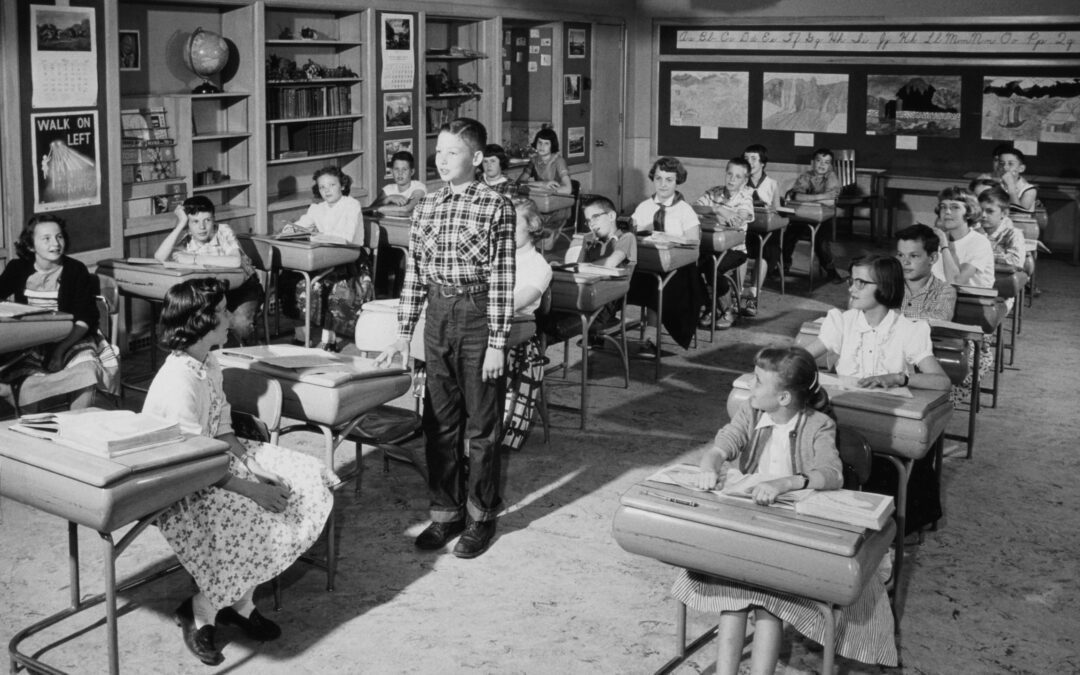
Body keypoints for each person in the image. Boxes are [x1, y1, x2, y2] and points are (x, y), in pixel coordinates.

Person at [143, 278, 335, 666]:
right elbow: (191, 462)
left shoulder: (207, 360)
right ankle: (201, 611)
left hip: (214, 460)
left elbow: (223, 428)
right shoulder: (178, 380)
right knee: (255, 513)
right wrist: (252, 490)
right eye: (224, 312)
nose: (231, 318)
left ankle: (239, 601)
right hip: (178, 482)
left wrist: (254, 465)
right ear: (202, 321)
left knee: (305, 475)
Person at [671, 346, 897, 674]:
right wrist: (710, 464)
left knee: (768, 605)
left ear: (784, 399)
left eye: (759, 381)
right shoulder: (750, 412)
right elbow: (723, 444)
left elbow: (831, 473)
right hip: (754, 527)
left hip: (793, 536)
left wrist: (783, 484)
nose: (750, 385)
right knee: (734, 600)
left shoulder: (818, 424)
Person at [375, 117, 516, 559]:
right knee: (438, 422)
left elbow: (502, 277)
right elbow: (414, 274)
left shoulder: (497, 206)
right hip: (436, 314)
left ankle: (480, 516)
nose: (441, 159)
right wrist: (403, 333)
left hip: (476, 315)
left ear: (475, 158)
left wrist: (497, 341)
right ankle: (445, 513)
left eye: (451, 152)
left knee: (482, 426)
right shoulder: (427, 207)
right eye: (437, 152)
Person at [805, 255, 950, 535]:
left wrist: (899, 377)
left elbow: (941, 383)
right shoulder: (842, 322)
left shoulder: (909, 330)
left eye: (862, 283)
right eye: (851, 281)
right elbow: (802, 358)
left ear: (884, 286)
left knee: (890, 457)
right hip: (846, 415)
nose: (851, 289)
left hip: (886, 422)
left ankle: (886, 527)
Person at [0, 215, 118, 410]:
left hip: (73, 337)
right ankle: (32, 428)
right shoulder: (17, 268)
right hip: (32, 341)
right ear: (30, 245)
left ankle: (77, 425)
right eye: (46, 238)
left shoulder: (75, 270)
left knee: (87, 370)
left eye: (59, 237)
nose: (55, 243)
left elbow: (86, 317)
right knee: (25, 378)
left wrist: (60, 350)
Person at [281, 166, 371, 351]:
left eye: (332, 185)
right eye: (322, 187)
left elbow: (346, 235)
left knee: (329, 285)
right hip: (322, 257)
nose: (327, 190)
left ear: (342, 186)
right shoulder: (316, 208)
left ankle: (329, 339)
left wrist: (320, 235)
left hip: (350, 259)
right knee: (291, 279)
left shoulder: (351, 205)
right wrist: (291, 229)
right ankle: (302, 336)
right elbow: (302, 224)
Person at [154, 196, 263, 344]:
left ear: (214, 219)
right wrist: (180, 224)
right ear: (188, 225)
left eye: (207, 220)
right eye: (195, 222)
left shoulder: (223, 230)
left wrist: (195, 259)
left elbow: (235, 261)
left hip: (243, 289)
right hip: (215, 293)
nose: (202, 227)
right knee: (198, 323)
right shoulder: (188, 239)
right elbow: (160, 257)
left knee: (240, 324)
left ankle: (244, 355)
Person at [629, 156, 703, 358]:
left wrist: (669, 239)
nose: (663, 184)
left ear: (677, 181)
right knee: (621, 278)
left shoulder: (684, 210)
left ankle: (650, 338)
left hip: (678, 269)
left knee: (658, 285)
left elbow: (694, 244)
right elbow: (628, 236)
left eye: (669, 180)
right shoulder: (644, 207)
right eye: (659, 178)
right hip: (647, 265)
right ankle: (599, 329)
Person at [693, 157, 754, 330]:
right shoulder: (714, 192)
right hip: (710, 245)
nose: (732, 179)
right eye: (729, 174)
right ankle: (709, 306)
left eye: (738, 176)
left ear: (745, 180)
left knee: (713, 269)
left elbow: (737, 221)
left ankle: (728, 310)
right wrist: (719, 209)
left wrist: (712, 214)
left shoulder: (745, 197)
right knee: (690, 266)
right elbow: (694, 208)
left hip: (735, 249)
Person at [782, 147, 844, 284]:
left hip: (823, 218)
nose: (822, 165)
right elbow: (797, 196)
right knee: (788, 237)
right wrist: (822, 196)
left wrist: (809, 197)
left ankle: (830, 271)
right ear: (813, 162)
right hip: (803, 215)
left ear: (830, 165)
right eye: (819, 161)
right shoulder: (805, 176)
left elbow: (830, 201)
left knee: (821, 243)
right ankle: (783, 266)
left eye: (826, 162)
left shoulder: (832, 177)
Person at [930, 186, 995, 289]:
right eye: (943, 207)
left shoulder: (980, 242)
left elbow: (956, 282)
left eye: (955, 207)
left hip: (971, 301)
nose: (947, 212)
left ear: (969, 212)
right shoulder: (937, 238)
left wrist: (944, 246)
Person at [509, 197, 553, 346]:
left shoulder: (539, 266)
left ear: (532, 225)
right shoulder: (493, 257)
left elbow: (512, 304)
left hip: (514, 327)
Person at [896, 224, 957, 322]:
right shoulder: (889, 284)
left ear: (932, 258)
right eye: (900, 255)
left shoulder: (945, 291)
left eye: (914, 256)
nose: (905, 262)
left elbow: (940, 319)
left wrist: (895, 316)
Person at [977, 186, 1025, 274]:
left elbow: (1016, 261)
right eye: (980, 210)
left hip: (1001, 278)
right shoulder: (974, 232)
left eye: (990, 211)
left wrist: (984, 256)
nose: (983, 215)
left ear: (1004, 213)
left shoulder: (1013, 234)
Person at [518, 127, 573, 195]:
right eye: (540, 142)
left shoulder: (558, 161)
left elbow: (568, 189)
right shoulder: (534, 160)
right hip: (541, 198)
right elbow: (519, 183)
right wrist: (542, 184)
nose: (542, 146)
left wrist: (542, 189)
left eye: (546, 143)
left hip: (558, 199)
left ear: (552, 146)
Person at [992, 144, 1038, 215]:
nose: (1005, 167)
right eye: (1002, 163)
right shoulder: (994, 185)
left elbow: (1019, 213)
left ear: (1021, 168)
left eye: (1010, 164)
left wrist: (1011, 187)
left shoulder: (1029, 190)